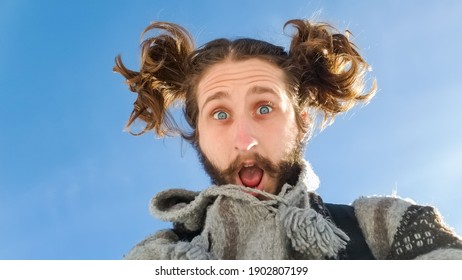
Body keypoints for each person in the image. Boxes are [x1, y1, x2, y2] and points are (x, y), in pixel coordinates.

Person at [114, 19, 462, 260]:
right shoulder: (155, 256)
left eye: (264, 108)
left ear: (302, 121)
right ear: (199, 137)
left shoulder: (384, 224)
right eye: (220, 114)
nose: (244, 140)